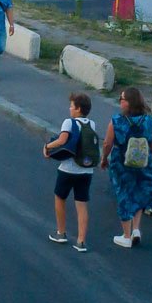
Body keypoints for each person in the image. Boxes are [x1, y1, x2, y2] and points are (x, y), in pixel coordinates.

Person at [101, 87, 152, 249]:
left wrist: (103, 159)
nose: (120, 101)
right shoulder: (149, 121)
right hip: (144, 164)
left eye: (122, 99)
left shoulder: (117, 121)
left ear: (130, 103)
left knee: (124, 195)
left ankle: (126, 236)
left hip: (122, 165)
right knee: (140, 193)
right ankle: (135, 229)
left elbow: (107, 143)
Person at [43, 92, 96, 253]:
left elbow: (62, 140)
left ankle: (61, 232)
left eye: (72, 106)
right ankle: (81, 241)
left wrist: (47, 147)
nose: (69, 108)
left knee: (60, 198)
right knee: (82, 204)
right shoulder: (91, 124)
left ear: (78, 109)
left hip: (68, 169)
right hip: (86, 170)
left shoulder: (69, 122)